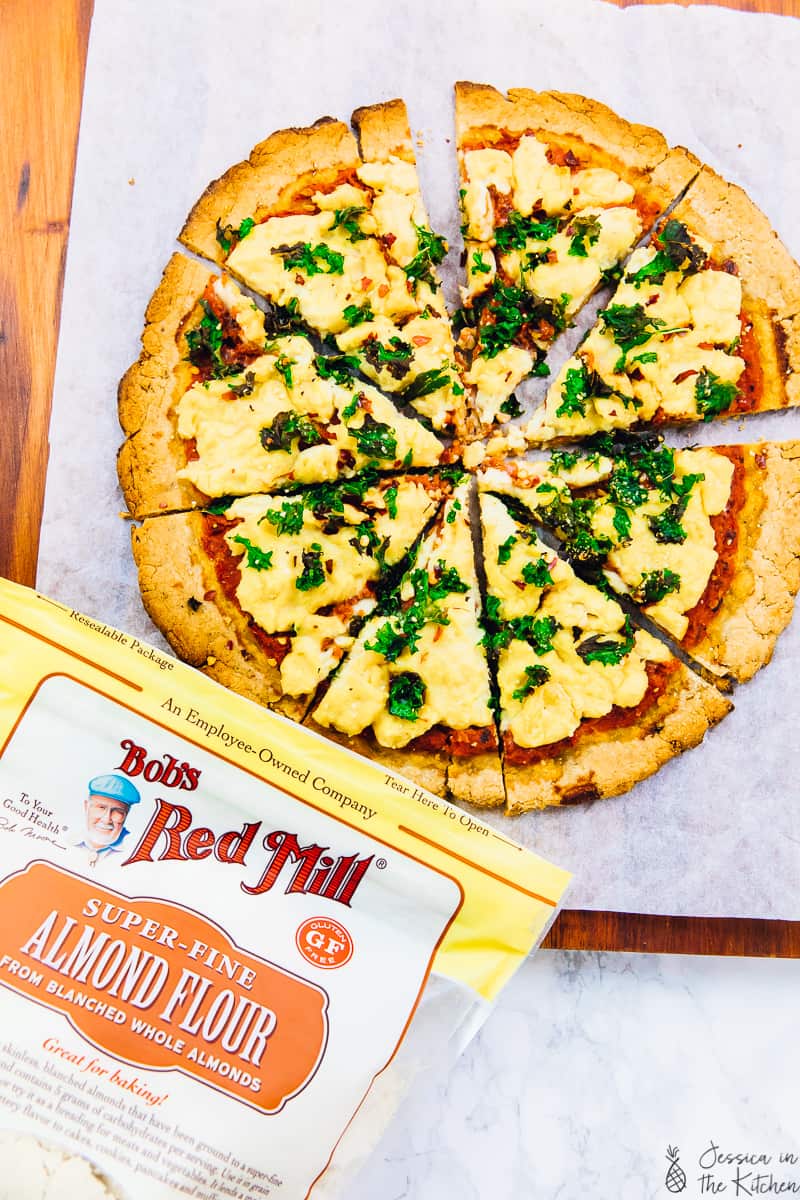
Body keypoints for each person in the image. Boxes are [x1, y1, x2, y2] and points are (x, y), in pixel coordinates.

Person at [76, 774, 140, 866]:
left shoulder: (132, 850)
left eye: (117, 811)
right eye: (101, 807)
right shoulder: (68, 837)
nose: (106, 820)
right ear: (86, 806)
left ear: (126, 815)